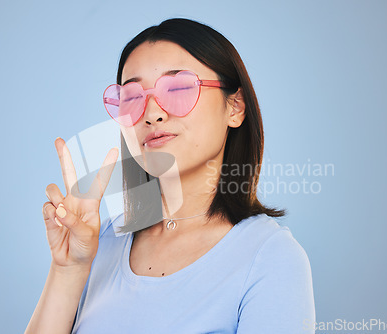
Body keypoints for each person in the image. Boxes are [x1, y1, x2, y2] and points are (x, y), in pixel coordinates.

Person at [26, 18, 315, 334]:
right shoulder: (98, 244)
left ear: (235, 107)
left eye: (177, 88)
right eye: (133, 98)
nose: (152, 114)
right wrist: (68, 268)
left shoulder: (270, 257)